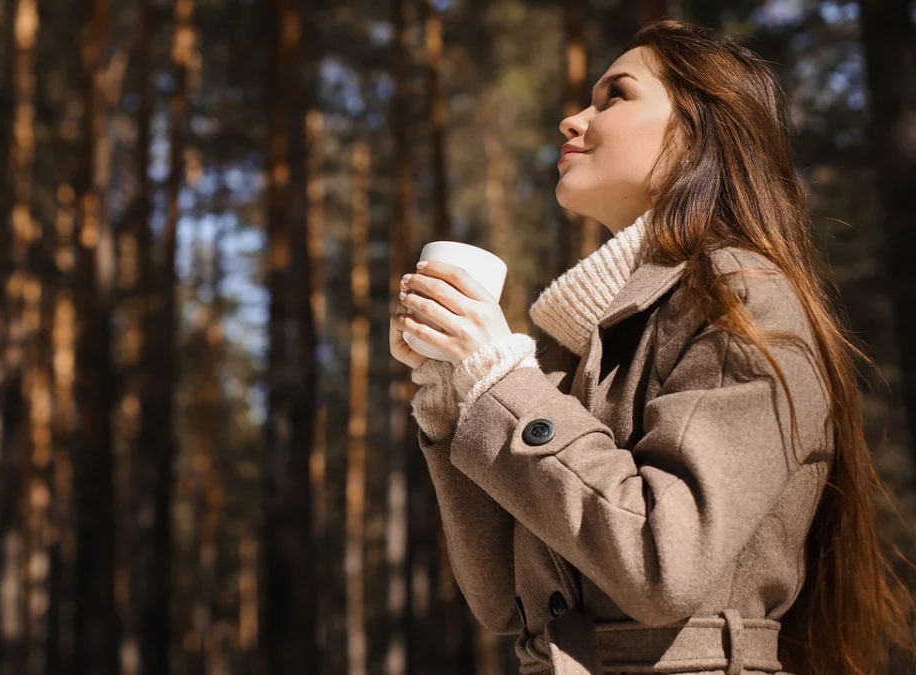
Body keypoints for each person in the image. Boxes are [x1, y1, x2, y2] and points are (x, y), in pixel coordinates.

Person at [389, 18, 913, 675]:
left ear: (699, 131)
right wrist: (453, 393)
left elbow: (663, 561)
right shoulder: (595, 345)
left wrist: (498, 381)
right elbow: (503, 601)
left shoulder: (742, 300)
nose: (573, 120)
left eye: (615, 97)